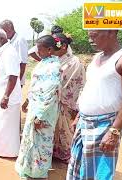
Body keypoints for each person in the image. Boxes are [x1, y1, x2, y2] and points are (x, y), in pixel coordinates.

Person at [67, 30, 122, 180]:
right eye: (89, 36)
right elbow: (90, 88)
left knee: (97, 174)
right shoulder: (97, 57)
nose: (90, 40)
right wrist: (78, 116)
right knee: (78, 170)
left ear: (111, 32)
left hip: (105, 125)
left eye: (94, 35)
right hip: (84, 122)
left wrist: (114, 132)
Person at [15, 35, 61, 179]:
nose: (37, 51)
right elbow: (35, 86)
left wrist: (40, 116)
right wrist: (28, 102)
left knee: (42, 143)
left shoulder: (54, 66)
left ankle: (39, 173)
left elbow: (50, 92)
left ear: (49, 49)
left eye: (39, 49)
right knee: (30, 140)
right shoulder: (43, 63)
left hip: (44, 112)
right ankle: (28, 169)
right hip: (35, 108)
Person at [52, 33, 86, 163]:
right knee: (55, 127)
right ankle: (56, 151)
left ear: (64, 46)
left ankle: (68, 154)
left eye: (55, 47)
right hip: (55, 99)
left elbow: (70, 83)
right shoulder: (56, 59)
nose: (52, 51)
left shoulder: (74, 62)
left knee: (66, 128)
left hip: (67, 101)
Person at [0, 29, 22, 157]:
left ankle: (8, 152)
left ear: (1, 39)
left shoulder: (9, 53)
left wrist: (6, 96)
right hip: (1, 96)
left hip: (7, 98)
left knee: (6, 127)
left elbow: (13, 76)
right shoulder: (3, 52)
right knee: (1, 125)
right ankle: (1, 150)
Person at [0, 19, 28, 87]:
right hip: (10, 80)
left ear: (10, 29)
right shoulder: (10, 41)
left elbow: (23, 63)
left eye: (3, 31)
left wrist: (16, 84)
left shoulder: (20, 40)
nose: (2, 34)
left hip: (15, 81)